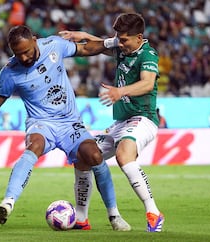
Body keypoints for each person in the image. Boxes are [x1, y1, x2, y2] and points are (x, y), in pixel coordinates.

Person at [0, 25, 130, 231]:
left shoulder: (54, 45)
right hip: (41, 123)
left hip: (69, 122)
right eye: (18, 54)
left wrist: (110, 43)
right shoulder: (10, 73)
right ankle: (8, 203)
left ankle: (114, 215)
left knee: (94, 155)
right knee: (34, 144)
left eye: (27, 51)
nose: (24, 57)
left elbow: (84, 49)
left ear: (35, 40)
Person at [59, 12, 165, 232]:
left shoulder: (148, 55)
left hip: (144, 118)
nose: (120, 42)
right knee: (84, 156)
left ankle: (153, 212)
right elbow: (99, 44)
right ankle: (81, 219)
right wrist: (81, 35)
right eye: (119, 38)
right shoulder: (120, 44)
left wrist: (121, 91)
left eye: (125, 39)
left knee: (124, 155)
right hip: (122, 121)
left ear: (139, 37)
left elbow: (147, 84)